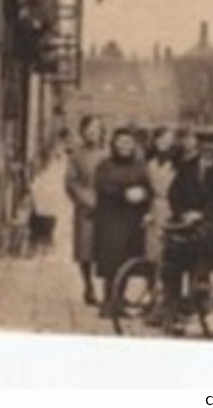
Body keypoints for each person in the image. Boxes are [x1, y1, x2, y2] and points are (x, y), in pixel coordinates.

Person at [156, 126, 213, 322]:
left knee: (204, 239)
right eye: (204, 142)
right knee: (171, 248)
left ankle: (200, 293)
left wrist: (202, 214)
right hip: (187, 220)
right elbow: (174, 194)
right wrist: (183, 213)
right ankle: (171, 301)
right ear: (198, 143)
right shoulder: (188, 166)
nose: (208, 146)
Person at [93, 127, 152, 316]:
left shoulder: (140, 166)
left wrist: (143, 195)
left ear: (134, 145)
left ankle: (119, 301)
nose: (125, 147)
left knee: (128, 260)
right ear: (114, 144)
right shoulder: (105, 165)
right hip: (111, 219)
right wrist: (124, 194)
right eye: (121, 142)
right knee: (111, 260)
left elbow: (148, 188)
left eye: (129, 143)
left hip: (132, 220)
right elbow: (103, 187)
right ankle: (108, 302)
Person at [64, 114, 108, 305]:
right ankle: (88, 287)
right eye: (89, 130)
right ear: (83, 132)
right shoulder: (77, 155)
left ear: (101, 132)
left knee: (107, 247)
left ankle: (109, 289)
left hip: (108, 206)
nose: (92, 133)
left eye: (96, 129)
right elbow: (71, 181)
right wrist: (86, 200)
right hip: (86, 208)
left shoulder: (108, 154)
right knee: (85, 248)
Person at [143, 126, 181, 264]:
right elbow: (146, 186)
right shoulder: (149, 162)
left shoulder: (177, 163)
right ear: (154, 141)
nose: (163, 143)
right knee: (152, 247)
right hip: (153, 207)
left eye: (167, 139)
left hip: (170, 207)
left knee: (168, 246)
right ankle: (153, 278)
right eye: (160, 139)